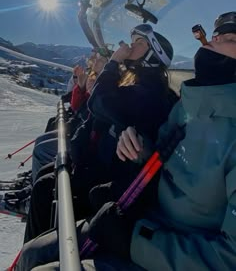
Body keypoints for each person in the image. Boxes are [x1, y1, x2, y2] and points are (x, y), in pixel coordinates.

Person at [15, 36, 236, 271]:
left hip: (165, 247)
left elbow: (229, 258)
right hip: (140, 214)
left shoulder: (153, 92)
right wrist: (141, 151)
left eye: (231, 37)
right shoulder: (187, 107)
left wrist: (133, 240)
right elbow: (165, 158)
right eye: (217, 32)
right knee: (31, 255)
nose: (215, 37)